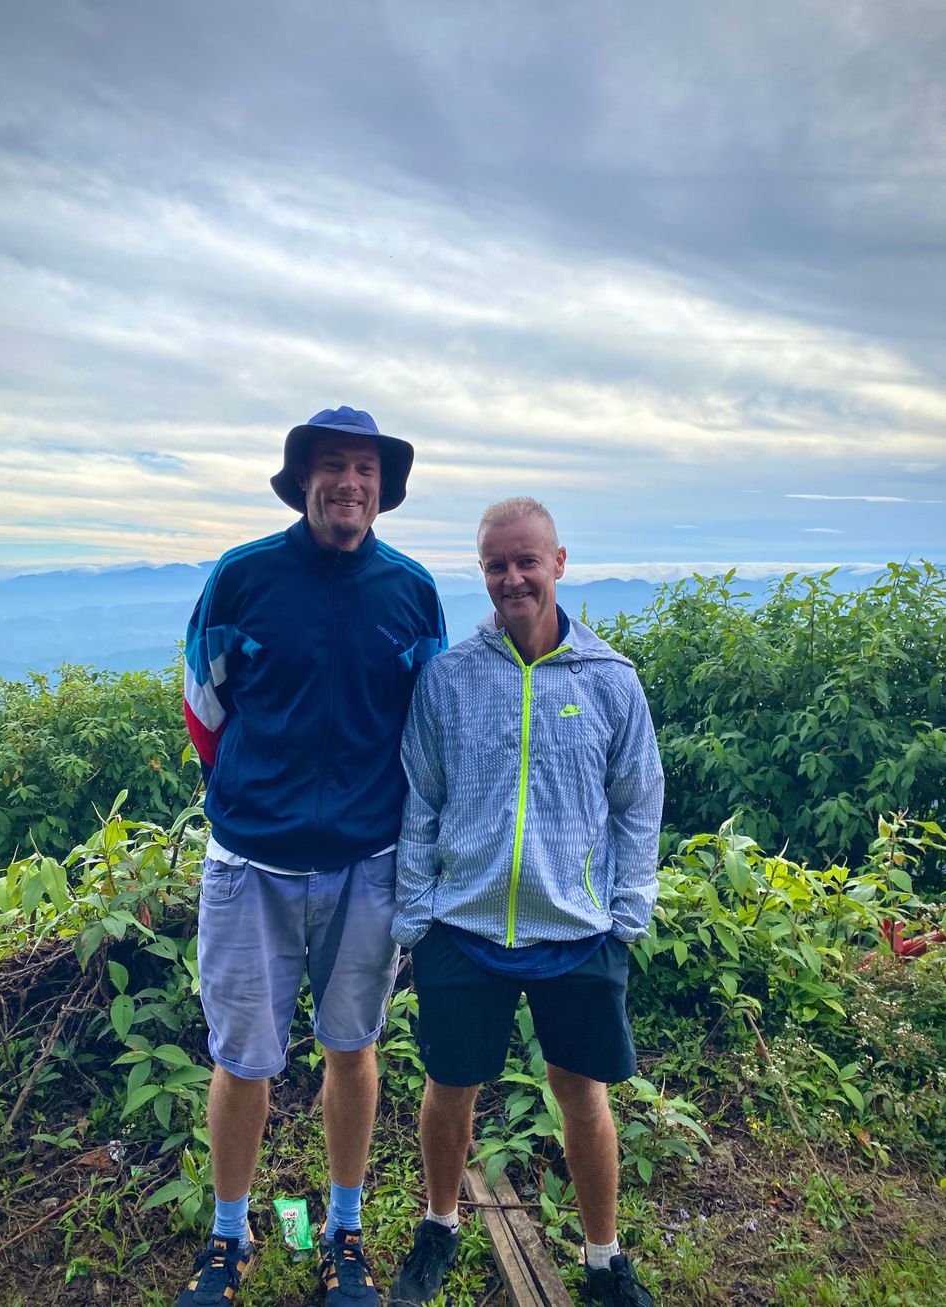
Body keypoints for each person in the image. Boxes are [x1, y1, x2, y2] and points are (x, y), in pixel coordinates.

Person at [179, 406, 446, 1307]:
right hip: (251, 862)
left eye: (365, 469)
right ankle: (229, 1237)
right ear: (304, 479)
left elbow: (426, 728)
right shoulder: (243, 576)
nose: (349, 483)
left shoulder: (410, 591)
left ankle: (344, 1230)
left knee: (352, 1046)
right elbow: (204, 708)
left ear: (383, 486)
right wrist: (256, 797)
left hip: (368, 861)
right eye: (333, 464)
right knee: (242, 1058)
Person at [388, 497, 663, 1307]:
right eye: (496, 564)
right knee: (449, 1088)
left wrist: (627, 914)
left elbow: (638, 802)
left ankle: (604, 1258)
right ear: (482, 571)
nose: (512, 577)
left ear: (559, 562)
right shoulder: (449, 678)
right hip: (462, 924)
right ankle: (440, 1224)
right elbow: (420, 798)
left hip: (577, 931)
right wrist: (415, 916)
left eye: (526, 561)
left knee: (583, 1094)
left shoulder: (610, 680)